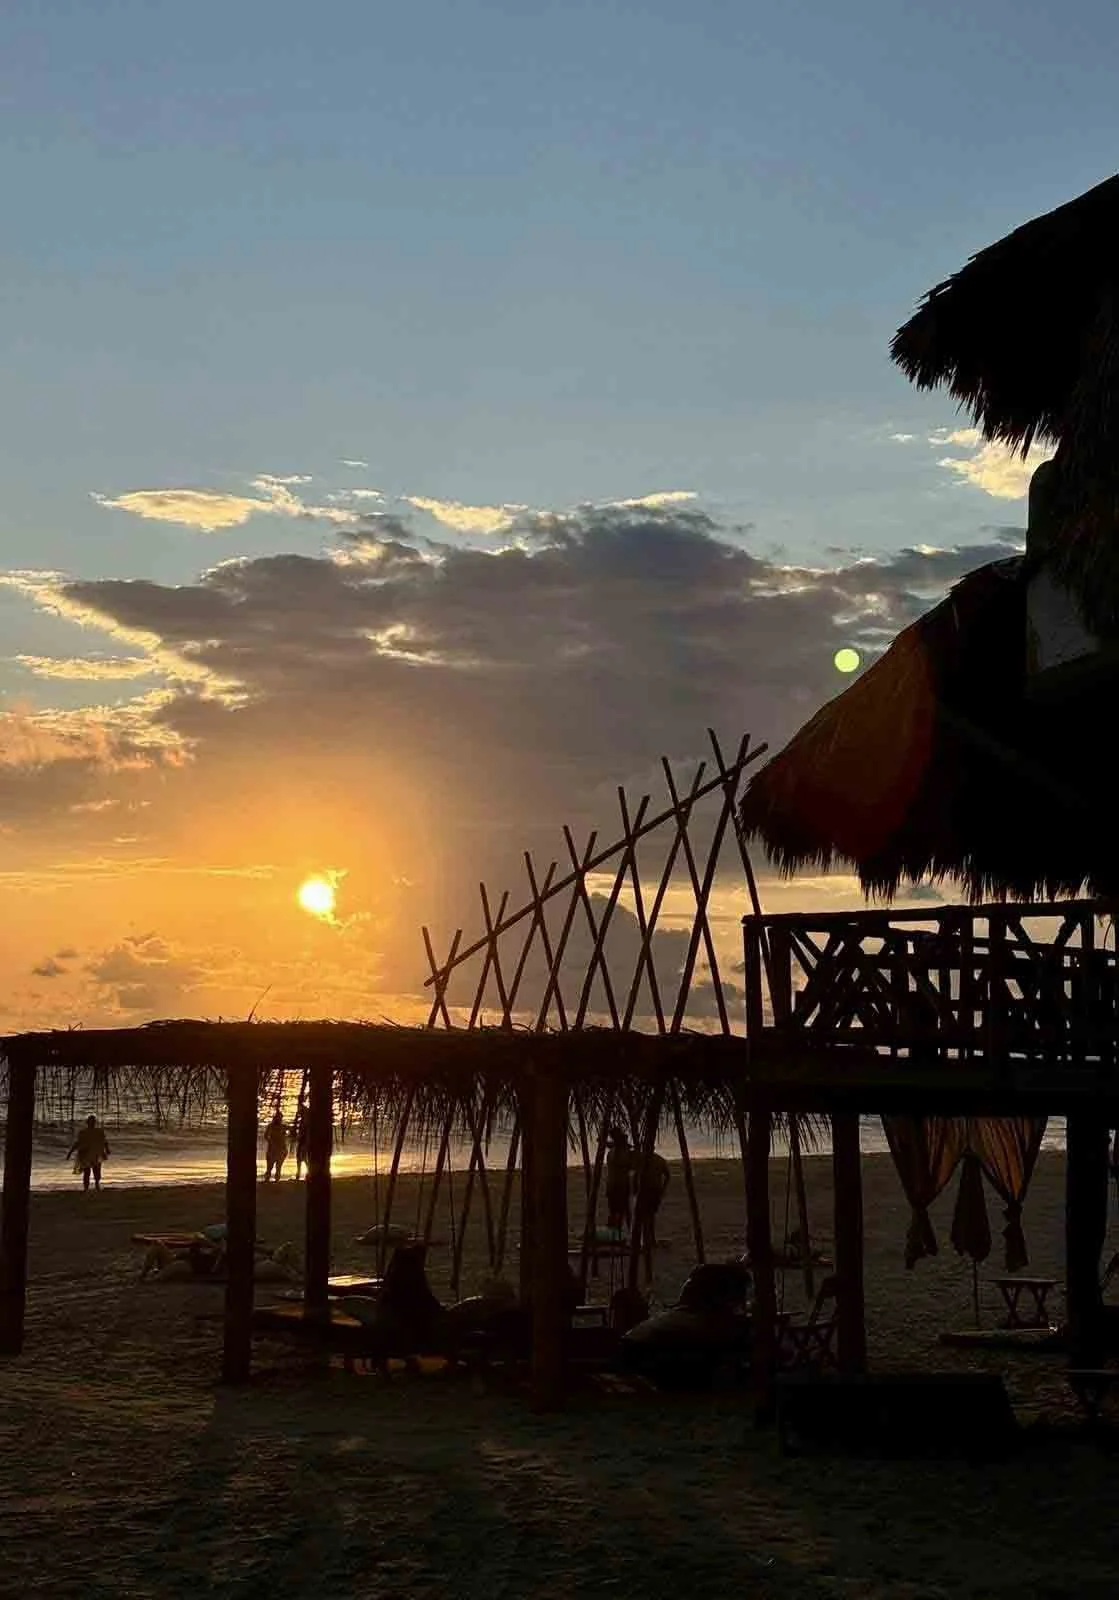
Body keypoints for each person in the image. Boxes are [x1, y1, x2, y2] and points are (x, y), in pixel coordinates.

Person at [634, 1149, 671, 1249]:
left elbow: (636, 1174)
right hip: (655, 1191)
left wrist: (635, 1188)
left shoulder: (643, 1159)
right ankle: (651, 1239)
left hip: (648, 1191)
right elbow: (668, 1175)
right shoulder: (659, 1160)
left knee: (645, 1216)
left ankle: (648, 1240)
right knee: (650, 1216)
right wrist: (663, 1188)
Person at [65, 1115, 110, 1192]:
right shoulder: (84, 1132)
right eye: (90, 1122)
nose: (92, 1123)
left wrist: (106, 1150)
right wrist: (70, 1152)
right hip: (86, 1153)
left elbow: (104, 1142)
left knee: (96, 1171)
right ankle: (87, 1188)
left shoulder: (98, 1132)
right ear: (88, 1123)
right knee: (87, 1172)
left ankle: (96, 1185)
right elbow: (78, 1143)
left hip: (95, 1153)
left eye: (93, 1122)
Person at [605, 1127, 634, 1232]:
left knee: (615, 1210)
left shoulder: (612, 1152)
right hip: (620, 1185)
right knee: (623, 1210)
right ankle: (621, 1231)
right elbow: (630, 1166)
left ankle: (617, 1231)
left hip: (612, 1184)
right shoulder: (623, 1152)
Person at [264, 1109, 288, 1182]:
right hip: (273, 1149)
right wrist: (271, 1142)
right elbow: (266, 1136)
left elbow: (288, 1135)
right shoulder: (270, 1126)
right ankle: (267, 1179)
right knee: (270, 1166)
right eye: (279, 1118)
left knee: (278, 1166)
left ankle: (276, 1180)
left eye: (281, 1118)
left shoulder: (283, 1126)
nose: (280, 1119)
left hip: (281, 1149)